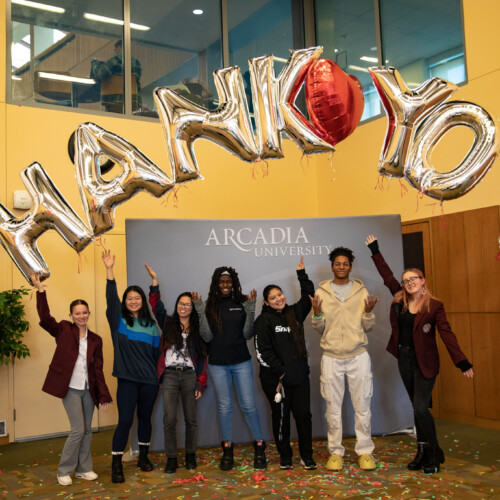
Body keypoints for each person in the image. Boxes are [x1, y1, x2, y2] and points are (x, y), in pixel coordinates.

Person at [365, 234, 474, 474]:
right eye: (406, 280)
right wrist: (375, 250)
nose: (409, 282)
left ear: (423, 281)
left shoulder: (435, 306)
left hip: (425, 363)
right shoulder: (400, 298)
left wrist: (461, 361)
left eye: (414, 278)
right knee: (417, 408)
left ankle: (433, 453)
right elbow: (387, 276)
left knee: (421, 408)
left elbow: (447, 334)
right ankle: (423, 450)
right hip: (404, 359)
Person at [31, 273, 112, 486]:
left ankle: (84, 469)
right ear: (71, 314)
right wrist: (41, 291)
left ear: (89, 314)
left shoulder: (96, 339)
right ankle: (64, 470)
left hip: (88, 389)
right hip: (69, 388)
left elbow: (98, 369)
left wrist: (103, 394)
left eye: (84, 312)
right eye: (77, 313)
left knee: (86, 430)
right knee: (78, 429)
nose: (81, 316)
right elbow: (45, 319)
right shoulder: (64, 329)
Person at [311, 246, 379, 471]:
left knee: (363, 407)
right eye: (337, 263)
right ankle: (336, 452)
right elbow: (318, 327)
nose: (341, 267)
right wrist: (318, 313)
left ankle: (365, 452)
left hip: (358, 356)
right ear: (332, 266)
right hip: (331, 357)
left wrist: (368, 312)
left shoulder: (360, 291)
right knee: (332, 407)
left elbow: (368, 326)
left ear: (350, 266)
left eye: (345, 263)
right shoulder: (321, 292)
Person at [194, 266, 265, 470]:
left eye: (228, 282)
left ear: (233, 283)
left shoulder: (241, 303)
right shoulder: (208, 306)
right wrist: (200, 311)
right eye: (221, 282)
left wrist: (251, 310)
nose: (225, 285)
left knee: (248, 405)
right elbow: (207, 337)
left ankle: (259, 447)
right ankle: (227, 450)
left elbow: (247, 334)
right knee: (224, 407)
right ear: (216, 284)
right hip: (217, 364)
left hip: (241, 362)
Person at [102, 250, 161, 483]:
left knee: (145, 419)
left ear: (142, 301)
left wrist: (155, 282)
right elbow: (111, 298)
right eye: (129, 298)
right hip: (127, 379)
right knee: (125, 421)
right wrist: (109, 270)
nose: (133, 301)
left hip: (149, 382)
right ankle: (117, 464)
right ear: (125, 302)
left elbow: (157, 356)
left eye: (137, 298)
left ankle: (143, 458)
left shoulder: (152, 325)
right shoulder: (118, 321)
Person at [254, 256, 317, 470]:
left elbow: (309, 297)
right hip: (276, 380)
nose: (278, 299)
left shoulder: (294, 313)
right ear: (266, 302)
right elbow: (263, 352)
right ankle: (285, 455)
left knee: (303, 416)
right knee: (281, 418)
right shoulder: (263, 321)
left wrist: (302, 275)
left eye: (279, 295)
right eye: (273, 298)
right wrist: (281, 372)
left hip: (300, 377)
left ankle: (306, 455)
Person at [145, 264, 208, 474]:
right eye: (181, 303)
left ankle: (190, 455)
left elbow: (202, 360)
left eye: (188, 304)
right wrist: (154, 282)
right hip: (170, 375)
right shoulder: (168, 322)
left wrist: (201, 382)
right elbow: (156, 306)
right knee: (169, 419)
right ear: (177, 305)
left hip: (189, 376)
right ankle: (172, 458)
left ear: (192, 307)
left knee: (191, 419)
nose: (184, 307)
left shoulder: (198, 330)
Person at [91, 40, 142, 113]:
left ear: (118, 47)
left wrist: (94, 64)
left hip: (115, 102)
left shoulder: (115, 60)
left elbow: (100, 74)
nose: (115, 51)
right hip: (134, 103)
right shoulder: (137, 63)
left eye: (115, 49)